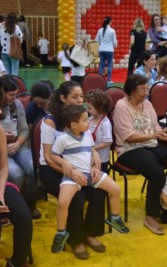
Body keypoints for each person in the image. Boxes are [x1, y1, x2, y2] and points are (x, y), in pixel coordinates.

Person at [39, 81, 107, 259]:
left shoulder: (81, 117)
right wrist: (70, 173)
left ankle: (90, 233)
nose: (80, 100)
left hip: (78, 167)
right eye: (74, 97)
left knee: (100, 190)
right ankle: (76, 240)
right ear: (63, 98)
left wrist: (93, 158)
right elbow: (47, 157)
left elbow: (86, 145)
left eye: (81, 96)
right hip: (53, 169)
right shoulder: (50, 121)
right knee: (77, 197)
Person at [113, 74, 167, 235]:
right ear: (132, 90)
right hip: (129, 149)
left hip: (151, 144)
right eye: (143, 89)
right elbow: (128, 137)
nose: (146, 92)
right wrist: (154, 136)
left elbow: (156, 128)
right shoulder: (121, 106)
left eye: (147, 88)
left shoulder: (147, 104)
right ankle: (150, 216)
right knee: (157, 173)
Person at [50, 105, 129, 253]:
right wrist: (65, 163)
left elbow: (90, 150)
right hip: (73, 177)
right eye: (86, 120)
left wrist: (94, 161)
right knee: (63, 202)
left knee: (116, 189)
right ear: (73, 125)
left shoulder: (87, 134)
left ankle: (114, 217)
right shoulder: (63, 139)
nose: (89, 123)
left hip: (90, 174)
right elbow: (53, 155)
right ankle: (61, 233)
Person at [0, 89, 32, 267]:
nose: (0, 112)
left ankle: (15, 263)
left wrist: (1, 193)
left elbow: (3, 167)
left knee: (25, 218)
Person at [0, 75, 40, 219]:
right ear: (1, 93)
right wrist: (1, 137)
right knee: (16, 174)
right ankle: (10, 206)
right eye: (11, 94)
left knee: (34, 168)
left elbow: (24, 129)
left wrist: (18, 143)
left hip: (17, 145)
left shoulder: (17, 104)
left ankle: (27, 204)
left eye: (16, 94)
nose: (15, 97)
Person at [86, 89, 113, 173]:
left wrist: (93, 148)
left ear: (99, 108)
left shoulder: (105, 123)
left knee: (99, 180)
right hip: (90, 156)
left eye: (90, 108)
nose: (87, 110)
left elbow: (108, 142)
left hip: (102, 159)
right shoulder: (90, 119)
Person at [95, 16, 117, 83]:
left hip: (101, 49)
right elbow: (114, 41)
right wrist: (115, 46)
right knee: (109, 65)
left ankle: (99, 79)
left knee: (101, 65)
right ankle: (109, 80)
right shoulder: (112, 31)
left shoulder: (100, 30)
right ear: (110, 22)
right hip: (110, 50)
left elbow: (96, 40)